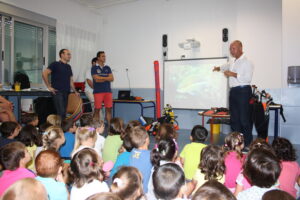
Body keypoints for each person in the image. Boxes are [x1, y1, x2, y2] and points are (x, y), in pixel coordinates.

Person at [213, 40, 254, 146]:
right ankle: (236, 143)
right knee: (234, 119)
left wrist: (232, 74)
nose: (231, 50)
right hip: (234, 91)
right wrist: (218, 68)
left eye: (233, 48)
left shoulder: (247, 61)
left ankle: (248, 144)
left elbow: (248, 78)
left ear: (240, 48)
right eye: (230, 48)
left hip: (243, 90)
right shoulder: (232, 61)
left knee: (244, 119)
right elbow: (225, 66)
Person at [42, 49, 79, 119]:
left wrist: (75, 91)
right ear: (62, 55)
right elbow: (44, 73)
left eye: (70, 54)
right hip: (57, 92)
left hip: (66, 92)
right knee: (61, 113)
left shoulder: (68, 67)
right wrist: (49, 87)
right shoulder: (55, 64)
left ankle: (61, 129)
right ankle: (59, 129)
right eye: (68, 54)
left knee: (64, 113)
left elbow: (70, 80)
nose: (70, 56)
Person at [128, 126, 152, 193]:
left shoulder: (132, 151)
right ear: (147, 139)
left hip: (133, 188)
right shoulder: (150, 155)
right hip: (144, 190)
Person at [91, 51, 114, 123]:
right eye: (102, 56)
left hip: (108, 91)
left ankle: (110, 129)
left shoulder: (107, 67)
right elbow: (96, 79)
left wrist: (101, 77)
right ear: (98, 58)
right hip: (98, 92)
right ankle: (95, 129)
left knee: (109, 109)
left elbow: (112, 78)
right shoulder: (94, 68)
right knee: (97, 110)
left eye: (105, 56)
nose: (104, 58)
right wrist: (106, 78)